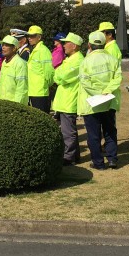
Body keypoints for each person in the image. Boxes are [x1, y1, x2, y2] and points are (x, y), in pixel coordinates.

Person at [79, 31, 122, 170]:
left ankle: (98, 163)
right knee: (110, 131)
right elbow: (118, 78)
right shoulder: (113, 59)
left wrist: (98, 94)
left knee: (93, 135)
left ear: (89, 45)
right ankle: (112, 159)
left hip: (92, 103)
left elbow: (85, 82)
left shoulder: (86, 61)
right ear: (104, 44)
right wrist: (106, 92)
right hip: (109, 101)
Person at [52, 32, 85, 165]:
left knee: (68, 132)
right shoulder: (70, 59)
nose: (64, 45)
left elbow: (62, 77)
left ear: (75, 46)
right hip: (64, 99)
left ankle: (69, 157)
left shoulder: (78, 60)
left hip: (69, 99)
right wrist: (58, 75)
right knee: (69, 130)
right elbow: (58, 74)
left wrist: (58, 75)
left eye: (66, 43)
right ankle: (74, 156)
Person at [26, 25, 54, 113]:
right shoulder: (34, 50)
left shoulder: (43, 51)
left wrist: (46, 85)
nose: (30, 38)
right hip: (33, 91)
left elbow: (49, 72)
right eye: (29, 36)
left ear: (39, 37)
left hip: (40, 92)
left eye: (33, 36)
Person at [0, 35, 28, 105]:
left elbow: (22, 89)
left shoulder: (20, 64)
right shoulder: (4, 62)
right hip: (3, 104)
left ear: (14, 48)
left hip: (14, 106)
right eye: (2, 45)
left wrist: (17, 107)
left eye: (7, 45)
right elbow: (0, 84)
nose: (3, 47)